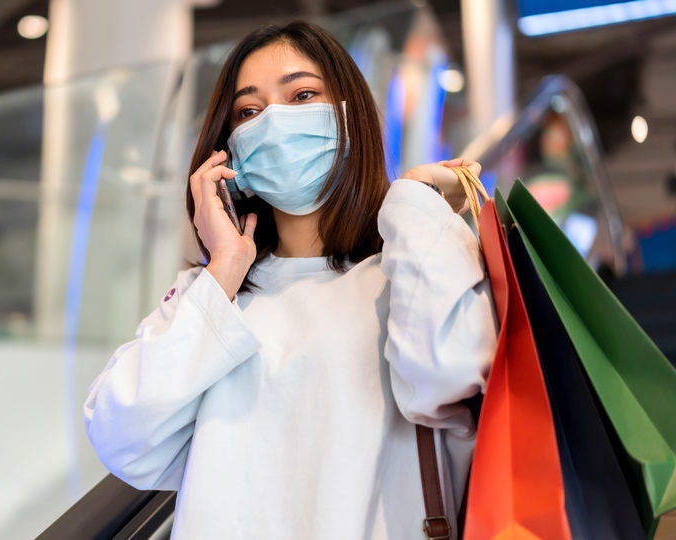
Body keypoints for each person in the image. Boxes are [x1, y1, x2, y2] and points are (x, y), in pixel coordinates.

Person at [83, 20, 496, 539]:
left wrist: (412, 198)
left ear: (350, 115)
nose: (275, 122)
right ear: (227, 150)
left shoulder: (406, 272)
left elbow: (450, 371)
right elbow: (122, 437)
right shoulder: (212, 298)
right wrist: (224, 269)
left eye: (302, 95)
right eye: (250, 111)